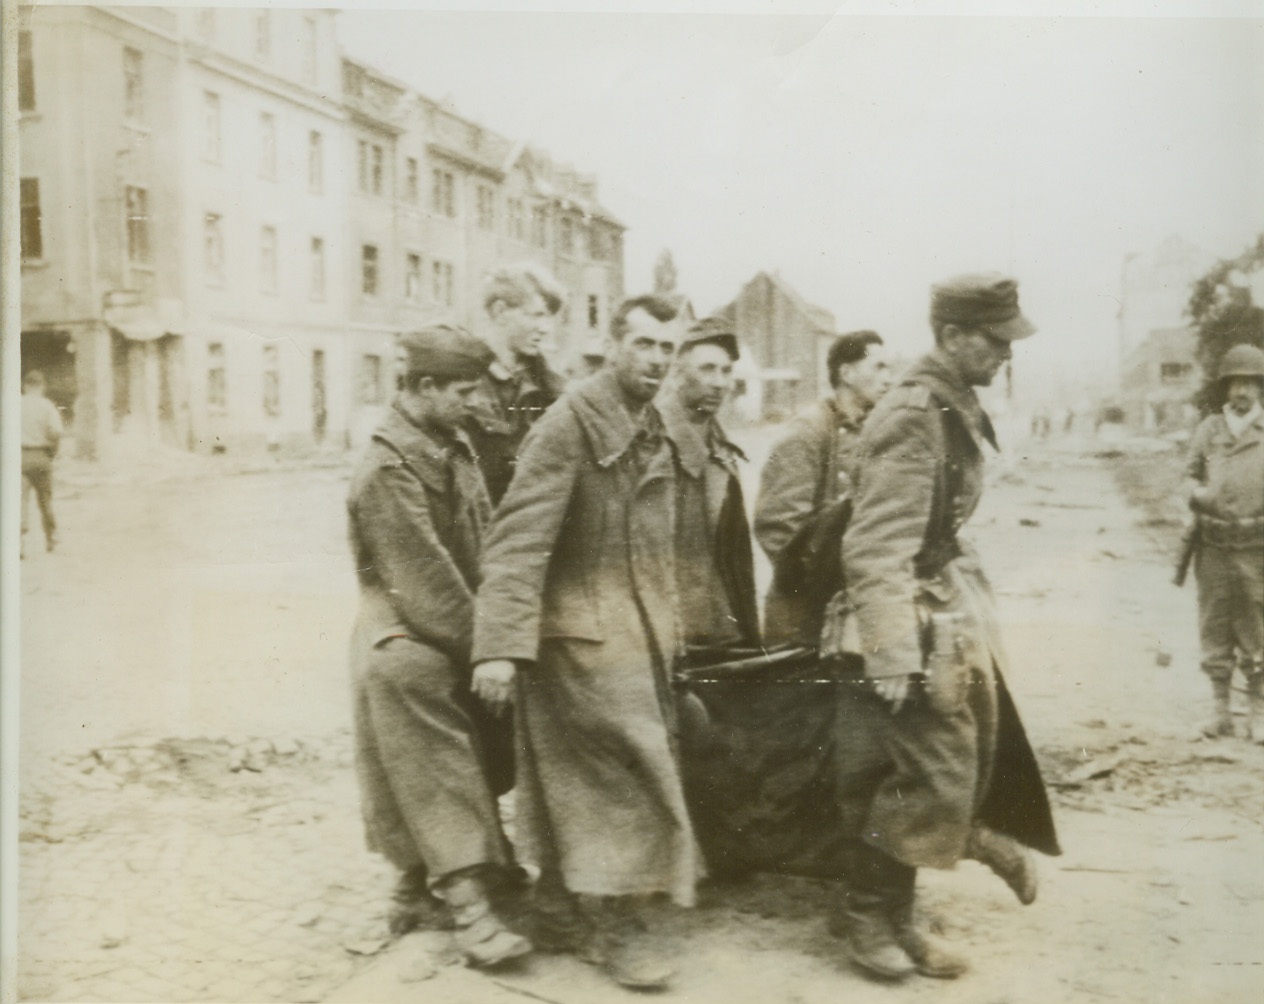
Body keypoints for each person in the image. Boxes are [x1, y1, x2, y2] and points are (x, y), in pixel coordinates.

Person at [826, 273, 1059, 981]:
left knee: (936, 765)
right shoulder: (913, 413)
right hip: (899, 615)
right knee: (929, 769)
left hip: (931, 602)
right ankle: (871, 916)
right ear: (953, 337)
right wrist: (892, 651)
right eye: (994, 341)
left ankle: (894, 916)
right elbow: (876, 543)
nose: (1005, 356)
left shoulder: (945, 403)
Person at [470, 295, 695, 990]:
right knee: (624, 776)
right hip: (578, 637)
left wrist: (676, 630)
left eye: (667, 347)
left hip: (638, 631)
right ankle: (617, 927)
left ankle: (558, 907)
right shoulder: (569, 423)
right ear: (611, 342)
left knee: (587, 782)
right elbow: (517, 540)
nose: (657, 359)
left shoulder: (650, 423)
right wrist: (499, 645)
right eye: (645, 344)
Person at [346, 324, 530, 968]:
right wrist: (491, 649)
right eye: (463, 390)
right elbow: (423, 581)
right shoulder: (386, 467)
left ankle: (422, 882)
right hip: (404, 630)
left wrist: (509, 633)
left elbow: (486, 546)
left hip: (455, 620)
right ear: (423, 388)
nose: (474, 401)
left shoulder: (449, 442)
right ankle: (470, 908)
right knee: (415, 688)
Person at [754, 331, 893, 645]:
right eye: (879, 368)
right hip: (804, 613)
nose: (889, 379)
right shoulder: (807, 431)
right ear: (847, 373)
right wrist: (827, 583)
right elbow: (779, 528)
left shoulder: (874, 432)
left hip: (854, 607)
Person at [1183, 343, 1264, 741]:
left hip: (1257, 546)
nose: (1241, 391)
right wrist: (1197, 494)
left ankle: (1258, 712)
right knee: (1214, 625)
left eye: (1249, 383)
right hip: (1212, 544)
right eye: (1234, 383)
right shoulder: (1209, 430)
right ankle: (1220, 713)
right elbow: (1190, 474)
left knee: (1257, 628)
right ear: (1225, 388)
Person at [466, 263, 568, 504]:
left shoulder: (553, 391)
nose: (546, 329)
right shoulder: (462, 380)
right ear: (500, 312)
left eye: (549, 318)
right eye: (536, 315)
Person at [21, 370, 63, 557]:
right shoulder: (47, 406)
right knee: (45, 500)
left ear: (25, 386)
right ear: (41, 387)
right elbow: (55, 433)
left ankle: (18, 543)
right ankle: (51, 537)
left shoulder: (14, 404)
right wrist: (52, 453)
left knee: (18, 501)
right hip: (41, 456)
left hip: (18, 456)